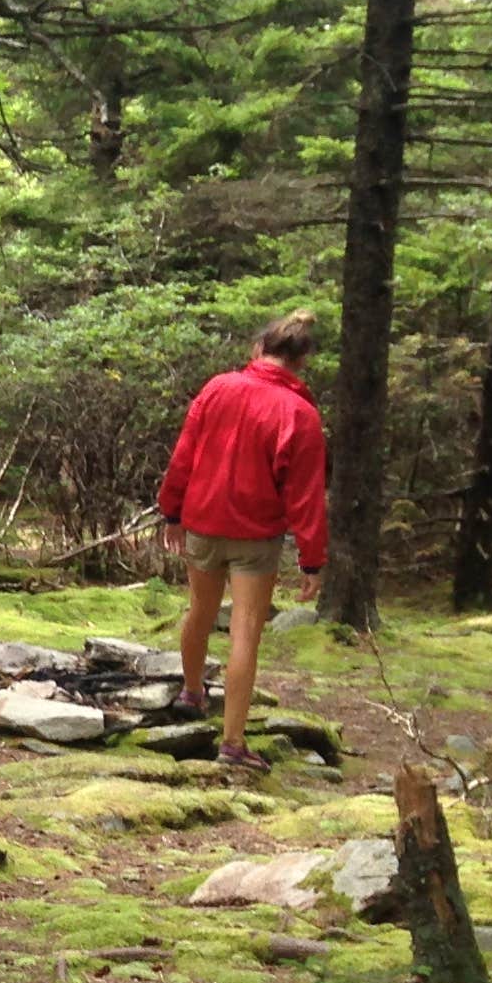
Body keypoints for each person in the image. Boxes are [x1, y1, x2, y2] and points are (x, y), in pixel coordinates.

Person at [156, 310, 328, 774]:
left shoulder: (218, 388)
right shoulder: (301, 414)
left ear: (259, 349)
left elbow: (185, 453)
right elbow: (306, 495)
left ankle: (192, 693)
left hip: (203, 522)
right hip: (255, 535)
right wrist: (313, 561)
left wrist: (172, 510)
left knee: (200, 610)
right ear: (302, 361)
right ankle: (232, 742)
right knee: (245, 632)